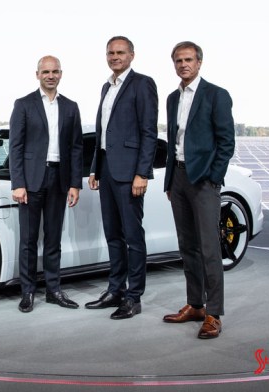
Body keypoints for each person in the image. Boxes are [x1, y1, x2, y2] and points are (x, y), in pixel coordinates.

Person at [162, 41, 235, 339]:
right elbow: (173, 142)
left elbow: (226, 142)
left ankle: (214, 313)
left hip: (203, 182)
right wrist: (169, 182)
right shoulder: (171, 98)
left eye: (188, 59)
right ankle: (195, 305)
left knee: (209, 249)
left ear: (199, 62)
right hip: (177, 179)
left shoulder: (216, 95)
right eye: (178, 60)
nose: (183, 65)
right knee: (187, 247)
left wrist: (213, 178)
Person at [84, 36, 158, 320]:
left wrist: (142, 173)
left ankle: (133, 297)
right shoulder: (107, 86)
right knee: (113, 236)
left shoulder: (142, 84)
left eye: (120, 52)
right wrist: (95, 167)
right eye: (110, 53)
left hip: (130, 175)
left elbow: (148, 132)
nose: (114, 57)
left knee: (132, 237)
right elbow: (103, 132)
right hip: (106, 171)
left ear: (132, 55)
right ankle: (115, 289)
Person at [9, 55, 84, 313]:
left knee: (53, 239)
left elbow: (76, 148)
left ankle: (53, 290)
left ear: (61, 74)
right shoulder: (24, 104)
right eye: (46, 72)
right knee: (28, 240)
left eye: (55, 71)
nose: (50, 76)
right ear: (37, 74)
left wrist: (75, 183)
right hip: (30, 181)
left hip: (59, 179)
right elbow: (15, 147)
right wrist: (17, 183)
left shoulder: (71, 107)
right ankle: (28, 292)